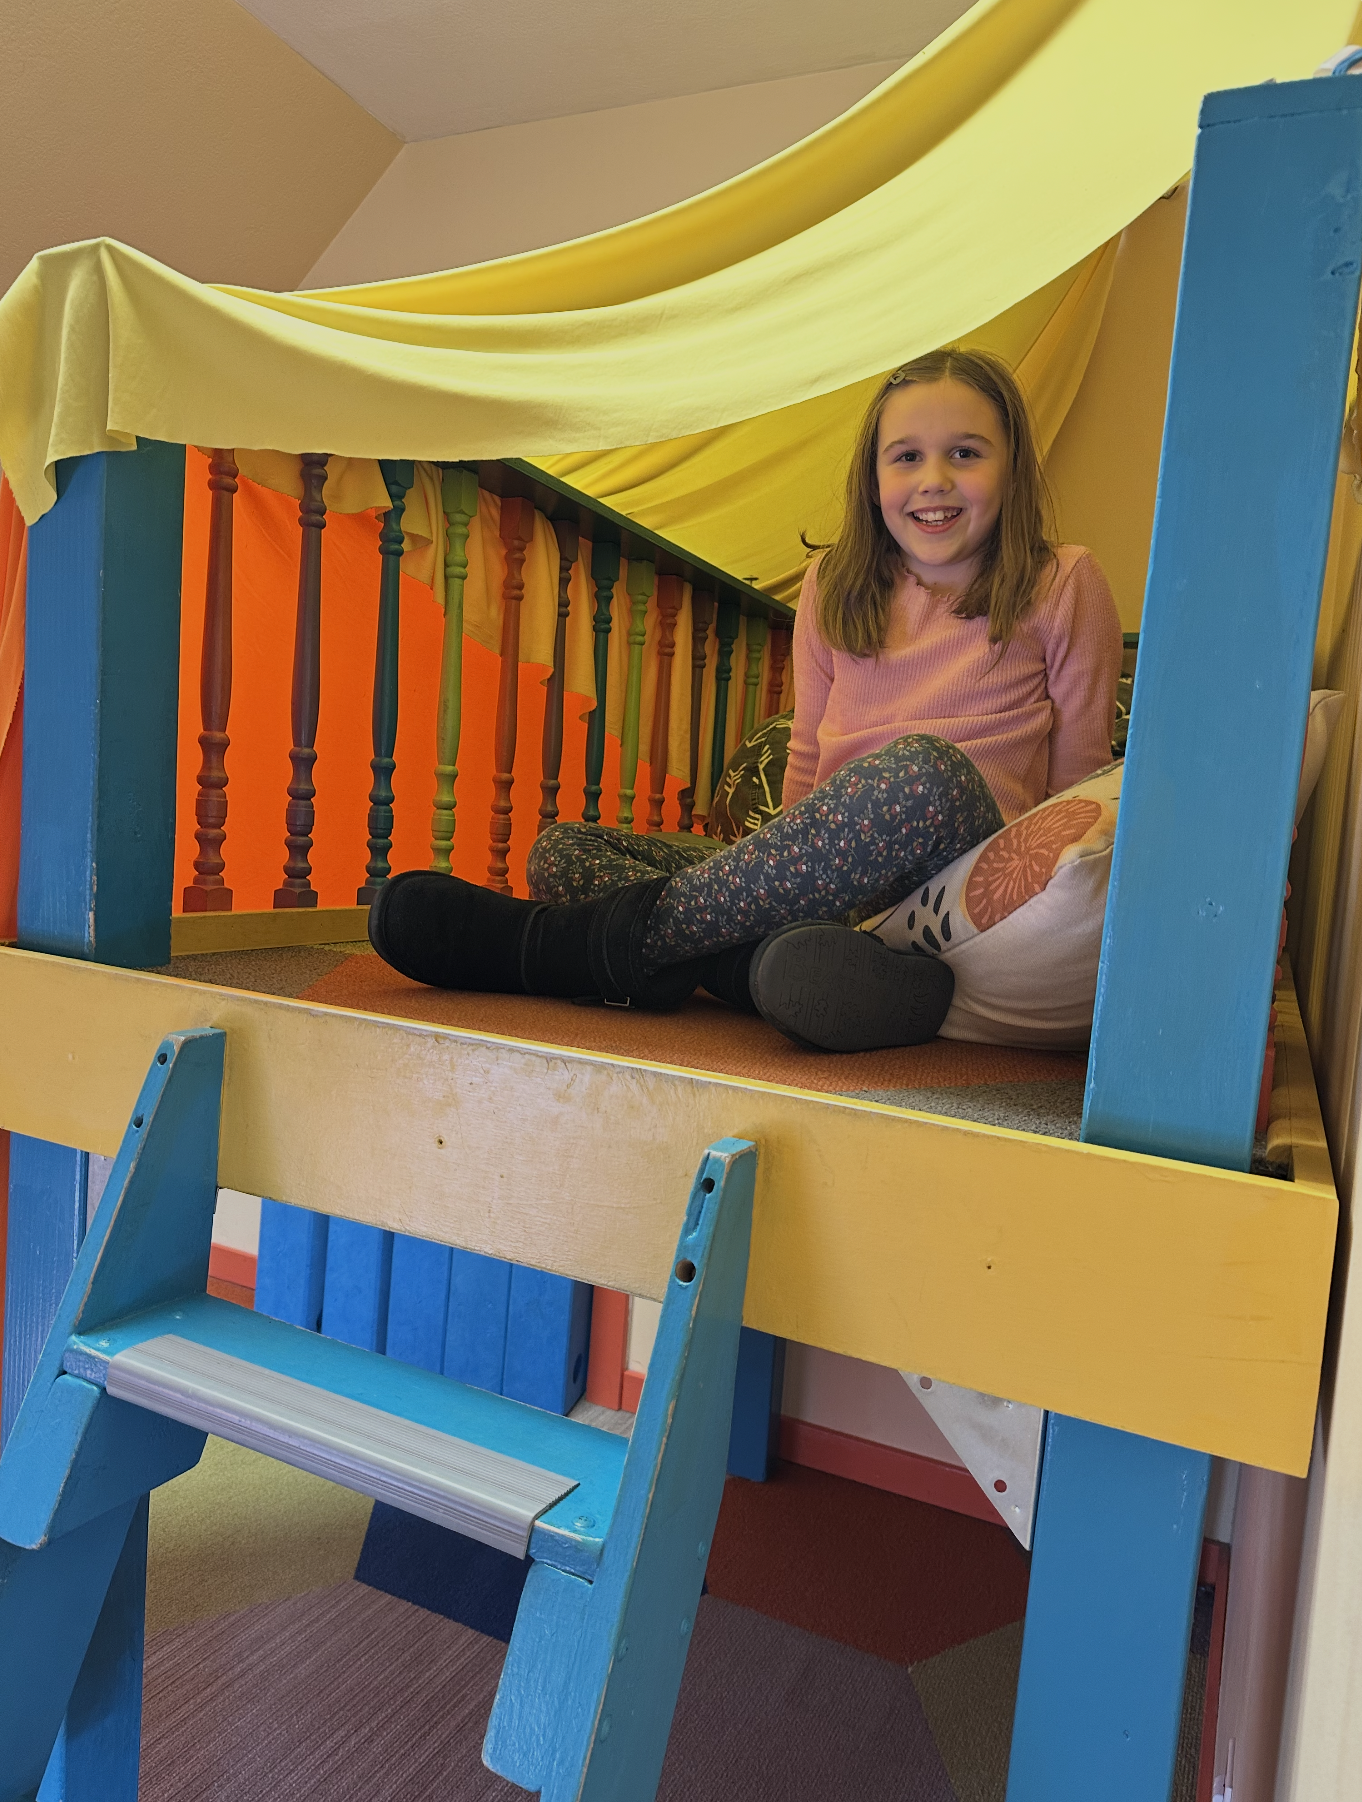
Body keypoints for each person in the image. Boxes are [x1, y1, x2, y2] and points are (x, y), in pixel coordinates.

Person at [369, 348, 1122, 1051]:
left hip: (953, 866)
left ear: (1013, 467)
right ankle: (768, 968)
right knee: (564, 848)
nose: (934, 478)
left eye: (966, 452)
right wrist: (773, 876)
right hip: (823, 885)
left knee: (920, 772)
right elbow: (806, 760)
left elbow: (1080, 788)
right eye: (907, 457)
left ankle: (561, 947)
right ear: (873, 478)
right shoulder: (834, 583)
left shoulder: (1062, 580)